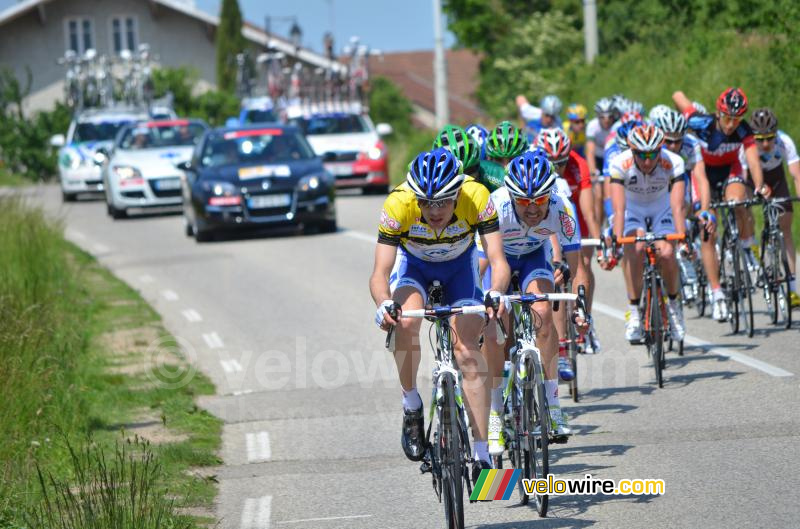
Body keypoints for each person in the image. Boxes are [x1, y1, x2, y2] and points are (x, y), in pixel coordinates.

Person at [370, 148, 510, 482]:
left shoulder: (477, 197)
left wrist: (496, 291)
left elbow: (498, 258)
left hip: (461, 270)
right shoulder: (398, 203)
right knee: (405, 320)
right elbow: (380, 272)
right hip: (414, 269)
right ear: (415, 198)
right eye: (427, 203)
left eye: (444, 202)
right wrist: (383, 303)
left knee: (466, 350)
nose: (435, 211)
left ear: (458, 193)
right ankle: (412, 404)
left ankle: (481, 454)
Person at [482, 151, 588, 458]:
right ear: (511, 196)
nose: (532, 208)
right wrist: (485, 300)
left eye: (539, 201)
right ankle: (495, 416)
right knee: (496, 326)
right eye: (524, 202)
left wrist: (578, 301)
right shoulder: (495, 206)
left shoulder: (561, 207)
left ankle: (553, 407)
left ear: (549, 196)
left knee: (542, 312)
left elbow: (575, 264)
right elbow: (479, 264)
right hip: (496, 260)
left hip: (532, 260)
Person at [673, 88, 768, 276]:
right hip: (704, 174)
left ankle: (747, 246)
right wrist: (680, 117)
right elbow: (677, 95)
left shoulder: (743, 130)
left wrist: (759, 186)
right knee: (707, 223)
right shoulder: (701, 122)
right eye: (727, 118)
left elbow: (753, 160)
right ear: (718, 113)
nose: (732, 124)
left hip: (729, 171)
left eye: (737, 119)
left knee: (739, 202)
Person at [608, 124, 687, 343]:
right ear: (632, 151)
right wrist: (616, 240)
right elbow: (618, 209)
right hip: (633, 210)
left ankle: (673, 307)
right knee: (636, 247)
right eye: (641, 155)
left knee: (668, 253)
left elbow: (678, 206)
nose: (647, 160)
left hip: (662, 208)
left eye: (652, 154)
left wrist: (683, 237)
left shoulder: (673, 162)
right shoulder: (619, 164)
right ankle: (634, 311)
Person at [536, 128, 603, 353]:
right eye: (551, 163)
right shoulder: (536, 171)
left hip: (572, 214)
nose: (557, 168)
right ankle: (562, 343)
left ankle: (585, 316)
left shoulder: (579, 164)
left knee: (583, 263)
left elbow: (588, 211)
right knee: (556, 273)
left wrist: (597, 240)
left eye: (561, 162)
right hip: (547, 216)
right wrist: (556, 256)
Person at [655, 110, 724, 319]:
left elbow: (701, 178)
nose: (674, 146)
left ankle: (716, 291)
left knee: (703, 219)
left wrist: (704, 209)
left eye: (678, 141)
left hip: (684, 183)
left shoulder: (691, 144)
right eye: (669, 141)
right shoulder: (653, 147)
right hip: (659, 189)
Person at [739, 108, 800, 307]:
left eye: (770, 138)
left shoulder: (785, 141)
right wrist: (750, 199)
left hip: (776, 177)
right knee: (744, 206)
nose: (765, 144)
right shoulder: (745, 148)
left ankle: (792, 289)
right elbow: (744, 178)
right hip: (752, 179)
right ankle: (754, 243)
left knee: (785, 227)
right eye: (760, 139)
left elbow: (796, 174)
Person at [586, 97, 618, 227]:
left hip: (612, 158)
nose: (606, 120)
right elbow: (590, 152)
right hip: (598, 159)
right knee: (598, 194)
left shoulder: (616, 127)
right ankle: (598, 227)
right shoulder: (592, 126)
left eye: (610, 117)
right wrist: (593, 172)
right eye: (603, 117)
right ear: (598, 117)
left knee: (610, 193)